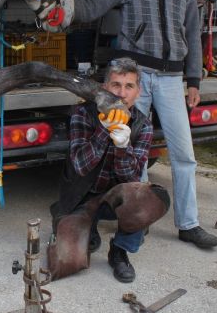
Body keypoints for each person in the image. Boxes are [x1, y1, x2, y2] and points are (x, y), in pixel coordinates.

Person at [72, 0, 217, 249]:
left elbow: (193, 33)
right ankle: (136, 221)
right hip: (135, 79)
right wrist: (64, 9)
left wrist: (193, 80)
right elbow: (94, 4)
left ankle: (189, 224)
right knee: (132, 151)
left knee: (184, 155)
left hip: (171, 80)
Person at [49, 57, 169, 283]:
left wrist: (123, 147)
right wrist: (104, 132)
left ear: (138, 92)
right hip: (81, 196)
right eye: (116, 85)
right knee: (67, 263)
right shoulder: (83, 114)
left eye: (129, 86)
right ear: (104, 88)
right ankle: (74, 220)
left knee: (148, 198)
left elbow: (132, 180)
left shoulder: (142, 125)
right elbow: (80, 166)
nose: (122, 94)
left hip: (114, 198)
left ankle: (119, 252)